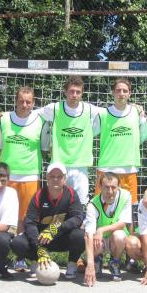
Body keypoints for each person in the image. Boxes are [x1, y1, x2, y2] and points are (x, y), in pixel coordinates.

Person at [0, 86, 49, 271]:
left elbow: (44, 148)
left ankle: (20, 257)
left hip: (30, 175)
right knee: (0, 216)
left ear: (33, 103)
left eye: (28, 102)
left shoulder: (41, 121)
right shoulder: (3, 120)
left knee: (25, 219)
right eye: (21, 101)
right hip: (6, 177)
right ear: (15, 101)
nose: (24, 105)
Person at [33, 76, 104, 207]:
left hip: (81, 166)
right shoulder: (54, 109)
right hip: (59, 165)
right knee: (56, 204)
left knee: (81, 204)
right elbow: (31, 114)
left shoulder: (90, 110)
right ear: (65, 92)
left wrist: (134, 107)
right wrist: (7, 115)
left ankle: (78, 221)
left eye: (78, 92)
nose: (74, 95)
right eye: (71, 91)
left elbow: (114, 112)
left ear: (82, 93)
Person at [10, 162, 85, 279]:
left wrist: (54, 229)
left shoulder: (71, 194)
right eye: (52, 176)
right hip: (41, 239)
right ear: (47, 178)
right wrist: (39, 249)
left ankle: (72, 263)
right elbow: (30, 223)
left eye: (59, 176)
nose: (55, 179)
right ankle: (36, 260)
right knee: (17, 243)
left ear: (64, 179)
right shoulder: (38, 195)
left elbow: (78, 217)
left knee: (81, 236)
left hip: (62, 237)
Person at [94, 77, 147, 206]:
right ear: (113, 92)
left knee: (130, 207)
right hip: (106, 168)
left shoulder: (137, 112)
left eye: (125, 91)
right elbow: (90, 133)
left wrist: (132, 144)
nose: (121, 94)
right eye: (118, 90)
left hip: (129, 168)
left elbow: (143, 134)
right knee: (101, 207)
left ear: (130, 93)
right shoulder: (103, 113)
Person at [83, 172, 131, 286]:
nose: (110, 191)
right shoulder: (92, 205)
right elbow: (88, 234)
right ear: (100, 187)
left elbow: (122, 224)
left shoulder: (126, 196)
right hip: (100, 240)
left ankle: (114, 263)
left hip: (115, 237)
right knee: (92, 238)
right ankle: (96, 261)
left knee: (120, 236)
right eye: (106, 187)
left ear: (119, 186)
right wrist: (90, 264)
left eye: (113, 187)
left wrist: (101, 230)